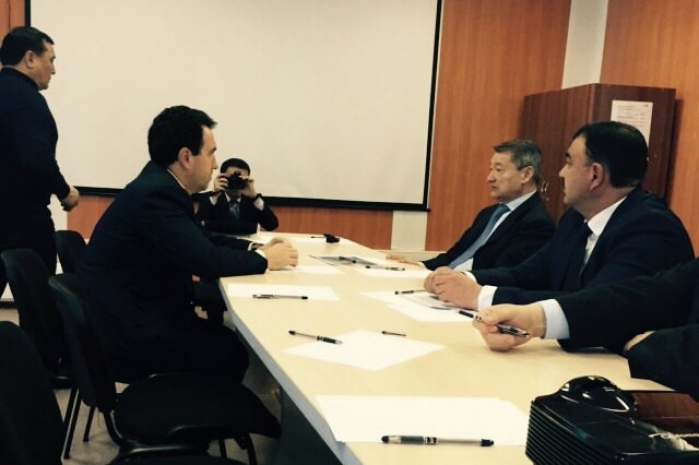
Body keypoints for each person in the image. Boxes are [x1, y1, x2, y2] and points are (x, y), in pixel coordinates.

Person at [77, 105, 298, 383]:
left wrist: (255, 249)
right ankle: (197, 407)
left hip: (135, 313)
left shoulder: (160, 185)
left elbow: (200, 238)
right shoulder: (157, 194)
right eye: (211, 153)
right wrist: (266, 261)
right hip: (129, 332)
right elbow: (205, 260)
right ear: (186, 157)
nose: (215, 164)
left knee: (226, 342)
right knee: (229, 351)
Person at [425, 121, 693, 312]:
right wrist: (464, 281)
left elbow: (592, 306)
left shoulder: (651, 229)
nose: (561, 174)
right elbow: (526, 274)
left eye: (568, 162)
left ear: (595, 175)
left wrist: (483, 297)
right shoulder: (575, 220)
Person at [472, 259, 699, 399]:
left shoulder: (650, 224)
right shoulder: (574, 223)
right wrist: (536, 318)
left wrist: (651, 345)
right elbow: (652, 294)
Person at [387, 140, 554, 271]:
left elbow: (504, 274)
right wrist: (419, 266)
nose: (490, 178)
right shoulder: (488, 214)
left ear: (526, 175)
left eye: (499, 170)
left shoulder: (537, 223)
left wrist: (453, 278)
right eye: (490, 169)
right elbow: (454, 256)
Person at [0, 26, 80, 292]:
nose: (53, 70)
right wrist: (65, 192)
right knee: (39, 302)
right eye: (51, 59)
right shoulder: (28, 100)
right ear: (30, 58)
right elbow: (37, 160)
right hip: (21, 220)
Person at [194, 158, 279, 235]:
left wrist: (255, 198)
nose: (236, 183)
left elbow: (271, 226)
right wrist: (215, 195)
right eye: (232, 178)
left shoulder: (253, 200)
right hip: (217, 244)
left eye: (240, 180)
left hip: (246, 245)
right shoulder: (210, 198)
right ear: (222, 177)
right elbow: (196, 226)